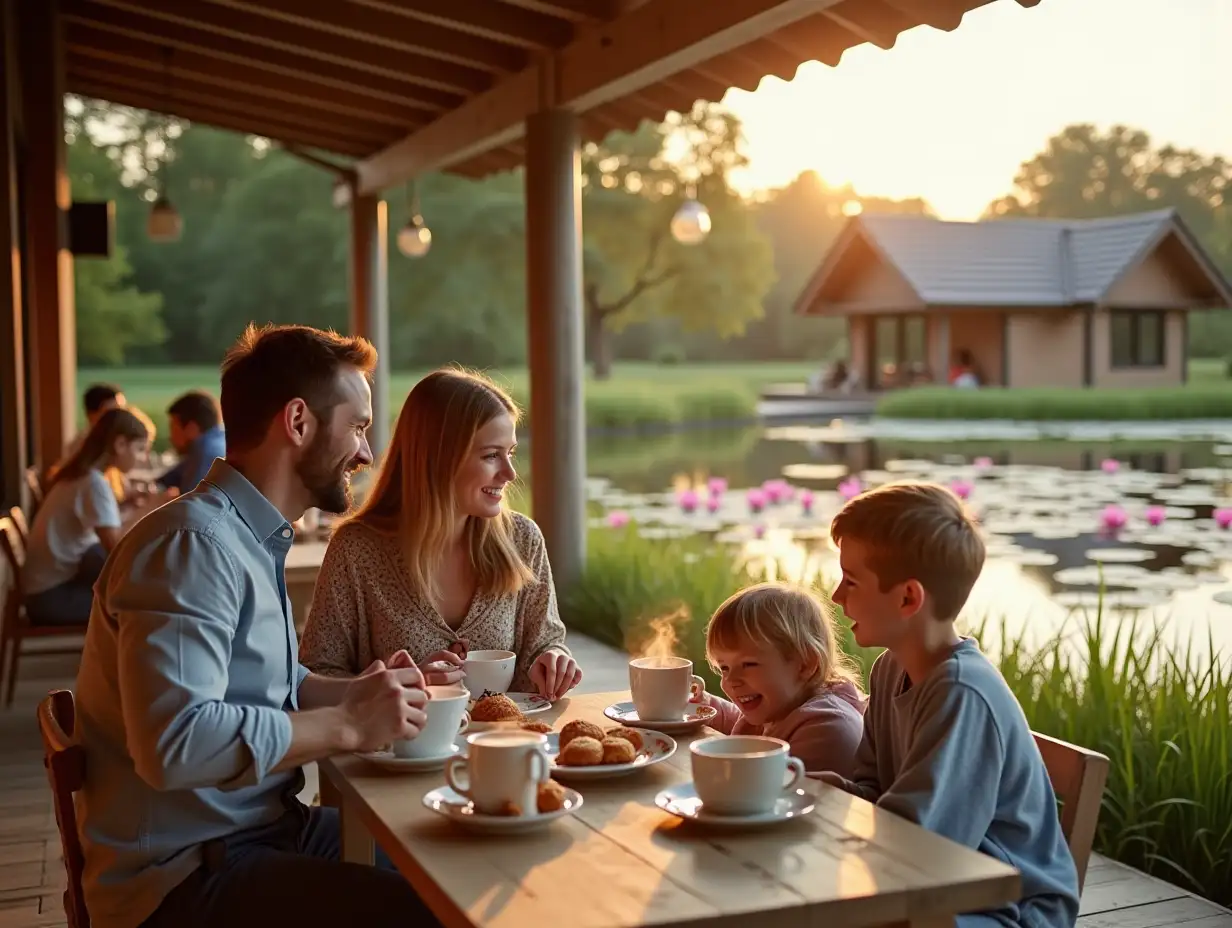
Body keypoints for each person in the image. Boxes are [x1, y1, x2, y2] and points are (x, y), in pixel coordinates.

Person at [73, 323, 442, 928]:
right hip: (183, 878)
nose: (367, 453)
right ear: (297, 422)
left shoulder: (245, 536)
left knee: (445, 858)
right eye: (358, 426)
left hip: (259, 832)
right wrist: (347, 725)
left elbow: (269, 681)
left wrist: (361, 693)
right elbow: (175, 743)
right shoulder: (193, 546)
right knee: (435, 910)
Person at [820, 481, 1079, 927]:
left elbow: (918, 846)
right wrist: (821, 789)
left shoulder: (962, 693)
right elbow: (875, 793)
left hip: (1008, 909)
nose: (837, 596)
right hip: (935, 885)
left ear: (907, 598)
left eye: (852, 580)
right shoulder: (888, 670)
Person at [299, 367, 582, 700]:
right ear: (438, 458)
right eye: (491, 455)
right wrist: (399, 684)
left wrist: (554, 660)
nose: (509, 473)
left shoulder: (523, 540)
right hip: (403, 750)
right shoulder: (356, 550)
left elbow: (544, 643)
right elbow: (315, 676)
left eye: (510, 453)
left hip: (506, 746)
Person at [690, 582, 865, 775]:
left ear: (804, 664)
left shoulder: (826, 729)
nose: (731, 680)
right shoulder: (780, 703)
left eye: (749, 664)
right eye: (724, 667)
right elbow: (744, 724)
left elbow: (777, 792)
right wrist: (705, 704)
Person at [23, 408, 150, 625]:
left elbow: (108, 533)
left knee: (132, 591)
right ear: (120, 445)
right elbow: (116, 549)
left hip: (43, 591)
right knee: (141, 606)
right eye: (140, 449)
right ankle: (117, 659)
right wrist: (152, 509)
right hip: (51, 599)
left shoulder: (81, 475)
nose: (142, 458)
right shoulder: (93, 482)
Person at [157, 389, 226, 493]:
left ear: (191, 428)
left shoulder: (205, 452)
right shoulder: (218, 441)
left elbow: (189, 502)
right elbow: (170, 478)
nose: (171, 438)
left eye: (174, 429)